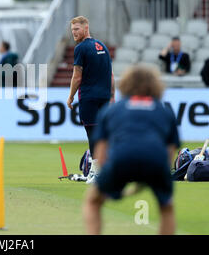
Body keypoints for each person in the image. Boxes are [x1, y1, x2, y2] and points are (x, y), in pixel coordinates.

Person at [83, 64, 179, 235]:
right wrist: (156, 177)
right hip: (155, 161)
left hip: (120, 160)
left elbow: (101, 152)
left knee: (93, 201)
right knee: (167, 208)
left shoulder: (111, 110)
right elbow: (169, 153)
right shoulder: (164, 111)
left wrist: (107, 181)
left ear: (126, 84)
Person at [66, 16, 115, 184]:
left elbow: (77, 76)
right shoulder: (102, 46)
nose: (74, 33)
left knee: (92, 134)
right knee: (102, 134)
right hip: (104, 96)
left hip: (89, 97)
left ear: (86, 28)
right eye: (72, 30)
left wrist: (71, 96)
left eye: (77, 29)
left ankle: (95, 172)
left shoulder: (80, 48)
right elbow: (111, 75)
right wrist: (113, 96)